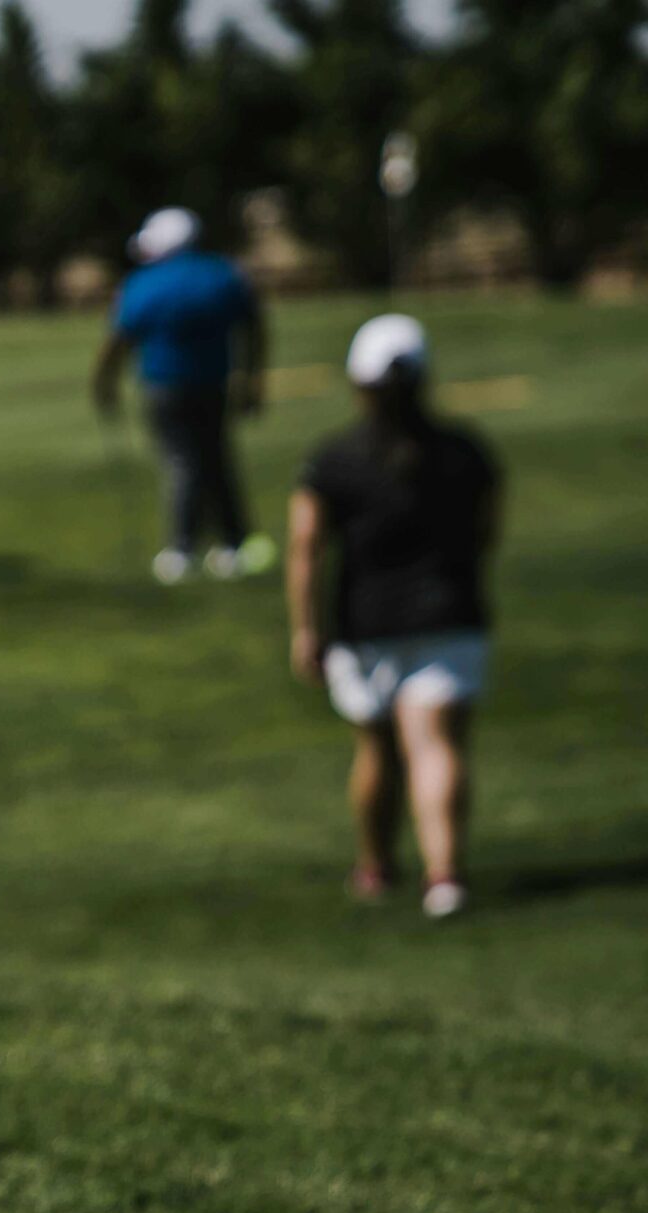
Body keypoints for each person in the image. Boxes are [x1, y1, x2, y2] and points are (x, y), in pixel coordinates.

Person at [287, 314, 500, 920]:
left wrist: (306, 628)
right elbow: (487, 532)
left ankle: (377, 866)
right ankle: (445, 877)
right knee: (436, 745)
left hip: (367, 624)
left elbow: (306, 548)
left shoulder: (333, 460)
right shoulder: (465, 451)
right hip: (453, 614)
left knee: (378, 748)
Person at [93, 206, 275, 584]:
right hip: (214, 384)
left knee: (184, 463)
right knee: (214, 458)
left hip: (164, 386)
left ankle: (182, 549)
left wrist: (104, 384)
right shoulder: (224, 274)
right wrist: (253, 380)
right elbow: (255, 327)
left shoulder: (144, 282)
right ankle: (233, 543)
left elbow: (118, 339)